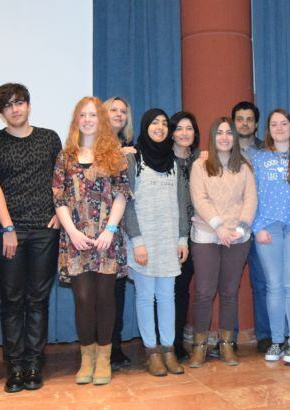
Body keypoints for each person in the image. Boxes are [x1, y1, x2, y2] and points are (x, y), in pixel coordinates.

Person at [0, 83, 62, 392]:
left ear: (28, 105)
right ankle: (14, 366)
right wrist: (8, 227)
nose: (15, 109)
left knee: (37, 300)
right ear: (1, 112)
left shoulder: (49, 138)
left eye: (20, 103)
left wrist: (59, 211)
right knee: (12, 299)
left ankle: (33, 364)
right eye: (8, 105)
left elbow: (61, 177)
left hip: (44, 231)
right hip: (8, 232)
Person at [53, 97, 130, 386]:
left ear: (101, 119)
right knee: (83, 300)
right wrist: (72, 232)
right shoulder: (65, 156)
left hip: (107, 238)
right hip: (76, 238)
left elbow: (122, 194)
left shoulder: (114, 154)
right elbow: (59, 197)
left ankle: (104, 360)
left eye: (93, 115)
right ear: (76, 119)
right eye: (82, 115)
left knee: (105, 299)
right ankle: (86, 359)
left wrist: (110, 229)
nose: (88, 119)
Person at [123, 108, 190, 377]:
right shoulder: (133, 158)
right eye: (154, 123)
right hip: (142, 241)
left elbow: (182, 203)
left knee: (166, 296)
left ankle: (168, 350)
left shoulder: (174, 162)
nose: (160, 128)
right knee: (144, 296)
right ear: (144, 126)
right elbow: (126, 202)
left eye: (164, 123)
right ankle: (151, 351)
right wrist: (137, 240)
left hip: (169, 241)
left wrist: (182, 238)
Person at [188, 117, 256, 368]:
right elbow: (199, 198)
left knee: (229, 293)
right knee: (204, 293)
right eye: (220, 133)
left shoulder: (244, 166)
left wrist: (239, 228)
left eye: (229, 133)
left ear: (235, 138)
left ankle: (227, 344)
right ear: (213, 137)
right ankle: (199, 346)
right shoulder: (200, 165)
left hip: (237, 237)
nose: (225, 137)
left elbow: (250, 200)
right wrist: (219, 227)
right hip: (207, 235)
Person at [250, 108, 290, 365]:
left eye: (284, 123)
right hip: (267, 229)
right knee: (273, 286)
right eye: (274, 124)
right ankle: (276, 341)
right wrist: (257, 227)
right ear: (268, 129)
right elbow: (249, 194)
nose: (279, 128)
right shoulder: (257, 157)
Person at [231, 101, 270, 352]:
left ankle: (266, 335)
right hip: (232, 228)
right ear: (233, 122)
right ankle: (229, 337)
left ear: (256, 124)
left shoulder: (268, 152)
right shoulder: (223, 150)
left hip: (261, 227)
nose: (244, 123)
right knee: (229, 285)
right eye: (239, 119)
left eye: (249, 119)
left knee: (264, 283)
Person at [103, 96, 135, 370]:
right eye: (113, 110)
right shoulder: (89, 146)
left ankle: (115, 347)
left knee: (117, 291)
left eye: (123, 111)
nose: (119, 114)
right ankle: (97, 349)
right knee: (98, 293)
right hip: (96, 229)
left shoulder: (130, 149)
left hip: (123, 232)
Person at [169, 110, 200, 360]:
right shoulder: (162, 160)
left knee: (183, 290)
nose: (184, 133)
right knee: (164, 291)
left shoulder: (201, 160)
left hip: (196, 234)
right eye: (179, 128)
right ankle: (164, 343)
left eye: (189, 128)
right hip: (167, 233)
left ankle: (178, 342)